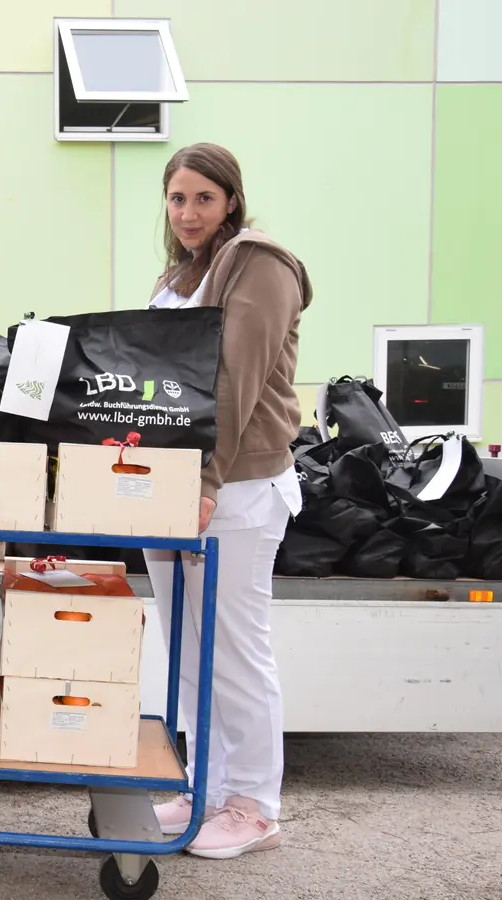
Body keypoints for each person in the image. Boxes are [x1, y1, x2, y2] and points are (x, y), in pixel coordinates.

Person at [142, 143, 311, 859]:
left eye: (202, 199)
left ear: (232, 201)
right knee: (189, 647)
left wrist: (203, 485)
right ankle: (205, 791)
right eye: (177, 199)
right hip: (168, 486)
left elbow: (234, 382)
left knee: (237, 650)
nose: (187, 213)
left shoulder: (260, 265)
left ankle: (254, 804)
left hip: (235, 490)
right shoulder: (181, 273)